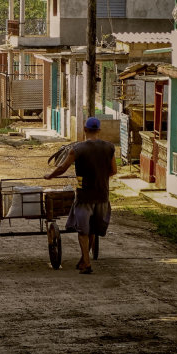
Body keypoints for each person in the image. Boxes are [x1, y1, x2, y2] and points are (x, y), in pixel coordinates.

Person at [44, 117, 117, 274]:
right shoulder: (109, 148)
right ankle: (84, 260)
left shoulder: (77, 149)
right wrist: (101, 177)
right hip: (103, 195)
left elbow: (63, 168)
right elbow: (114, 171)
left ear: (84, 130)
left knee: (83, 232)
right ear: (99, 130)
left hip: (84, 197)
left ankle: (87, 262)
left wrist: (50, 176)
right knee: (92, 230)